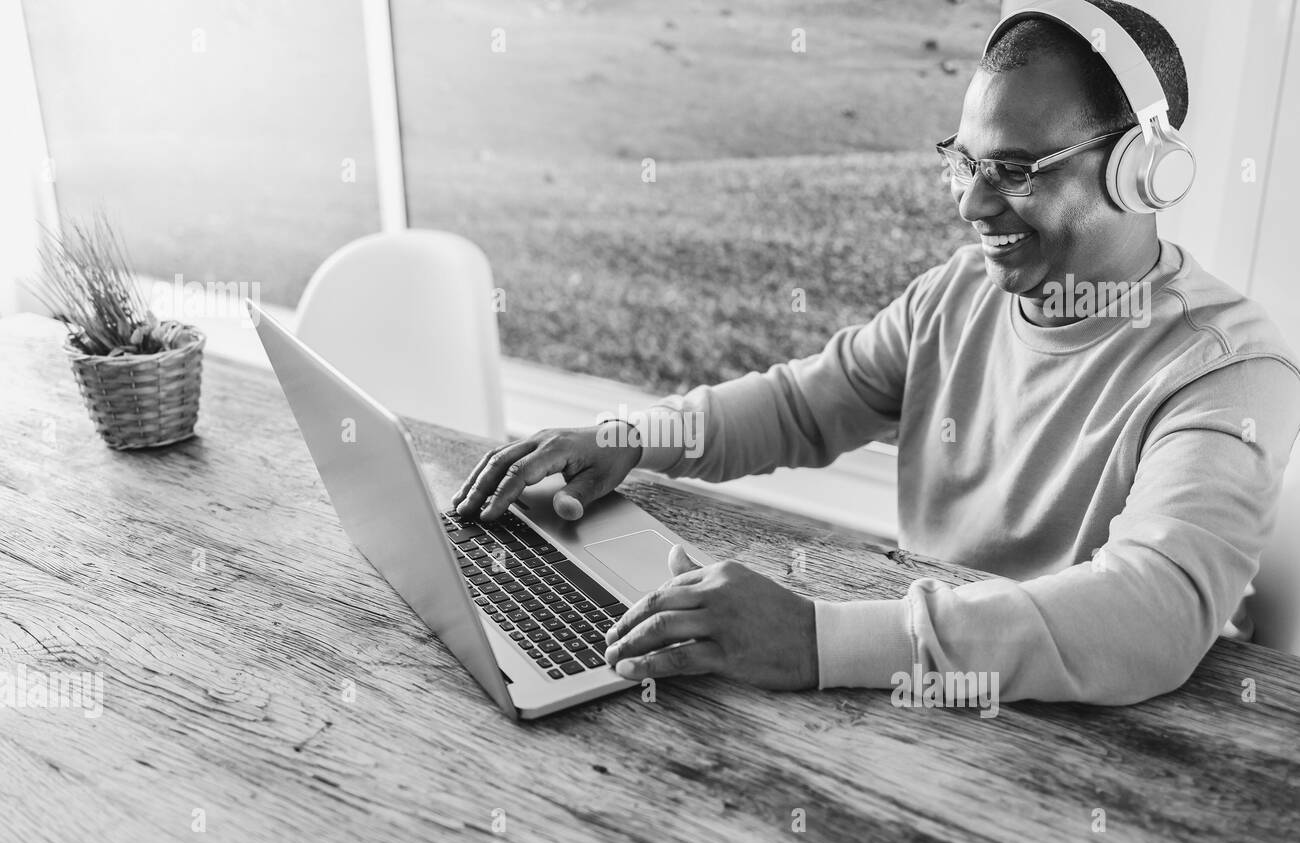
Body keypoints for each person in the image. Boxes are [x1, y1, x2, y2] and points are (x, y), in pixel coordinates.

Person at [453, 0, 1300, 705]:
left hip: (1103, 740)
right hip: (922, 697)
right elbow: (801, 404)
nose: (972, 202)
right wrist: (629, 437)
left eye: (1014, 170)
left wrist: (812, 639)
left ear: (1141, 171)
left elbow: (1148, 616)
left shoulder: (1229, 370)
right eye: (964, 161)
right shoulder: (957, 295)